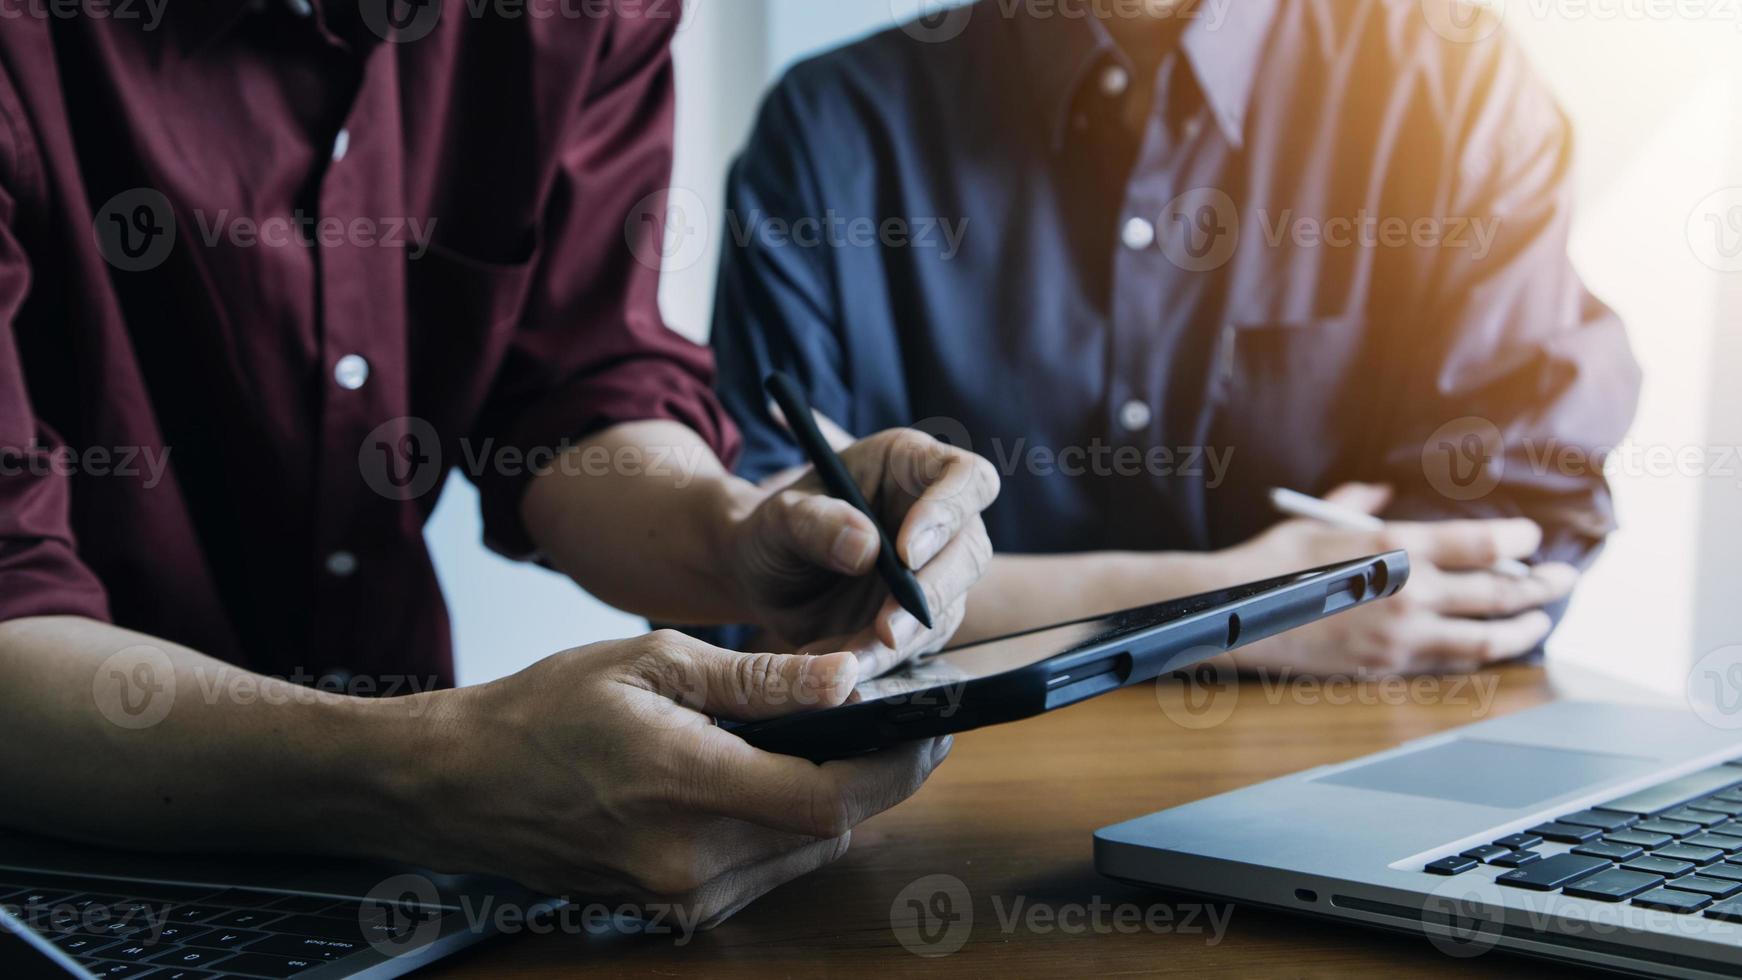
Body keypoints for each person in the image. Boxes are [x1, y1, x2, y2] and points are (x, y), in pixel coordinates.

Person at [0, 5, 999, 925]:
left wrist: (731, 537)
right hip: (67, 863)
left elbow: (572, 390)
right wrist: (431, 773)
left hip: (418, 865)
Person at [710, 0, 1640, 675]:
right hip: (928, 812)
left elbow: (1510, 546)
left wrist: (1012, 606)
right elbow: (765, 583)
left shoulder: (1447, 85)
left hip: (1349, 793)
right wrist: (1243, 606)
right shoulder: (831, 130)